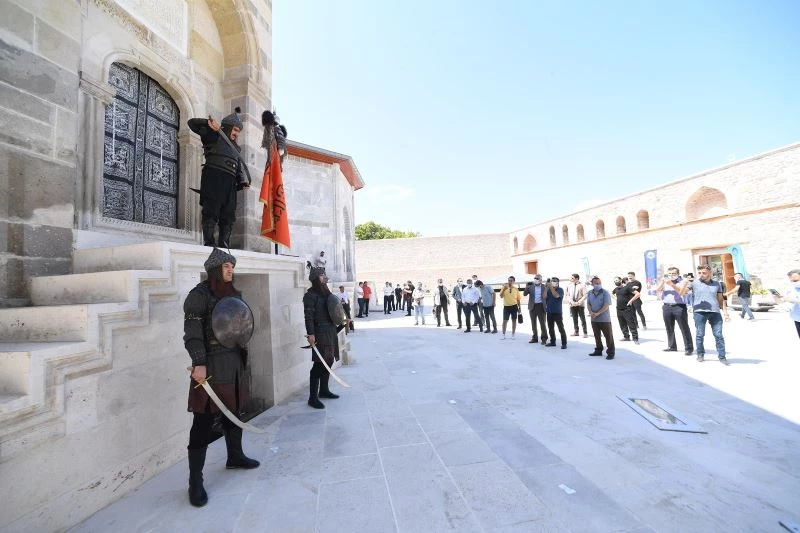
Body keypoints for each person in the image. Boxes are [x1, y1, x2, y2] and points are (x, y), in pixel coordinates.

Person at [183, 248, 259, 507]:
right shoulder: (198, 296)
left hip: (233, 362)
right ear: (215, 268)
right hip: (210, 366)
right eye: (226, 266)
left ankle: (235, 456)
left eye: (232, 266)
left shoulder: (233, 295)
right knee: (203, 423)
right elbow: (192, 334)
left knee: (234, 412)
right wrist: (199, 363)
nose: (231, 270)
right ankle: (195, 482)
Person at [188, 110, 251, 248]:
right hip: (214, 179)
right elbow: (192, 124)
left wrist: (242, 181)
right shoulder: (213, 135)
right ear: (227, 127)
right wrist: (210, 125)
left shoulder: (236, 148)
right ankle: (209, 243)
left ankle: (224, 245)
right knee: (211, 212)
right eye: (235, 129)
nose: (237, 133)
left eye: (239, 131)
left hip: (230, 185)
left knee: (228, 216)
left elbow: (237, 167)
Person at [304, 266, 346, 409]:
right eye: (322, 275)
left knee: (328, 360)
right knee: (319, 364)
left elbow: (334, 310)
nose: (324, 277)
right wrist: (311, 334)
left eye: (324, 275)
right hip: (319, 333)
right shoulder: (310, 295)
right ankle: (312, 398)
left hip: (330, 331)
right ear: (316, 278)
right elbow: (308, 317)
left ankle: (324, 390)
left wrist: (341, 321)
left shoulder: (326, 293)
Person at [680, 264, 730, 365]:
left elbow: (721, 299)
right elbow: (682, 293)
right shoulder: (694, 283)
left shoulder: (717, 284)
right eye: (699, 273)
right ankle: (700, 354)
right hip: (699, 312)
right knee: (700, 334)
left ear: (709, 273)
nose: (701, 275)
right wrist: (685, 283)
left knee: (718, 335)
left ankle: (722, 356)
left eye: (704, 273)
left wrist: (725, 313)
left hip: (715, 312)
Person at [655, 267, 693, 355]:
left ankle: (689, 348)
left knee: (684, 328)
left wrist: (672, 284)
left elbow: (682, 292)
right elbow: (657, 290)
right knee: (669, 327)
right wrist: (662, 282)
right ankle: (672, 346)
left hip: (679, 306)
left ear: (678, 274)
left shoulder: (683, 282)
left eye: (673, 273)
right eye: (670, 274)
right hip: (667, 306)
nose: (671, 275)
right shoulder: (665, 281)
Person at [586, 275, 615, 359]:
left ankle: (611, 352)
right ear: (592, 284)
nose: (598, 284)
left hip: (604, 319)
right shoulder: (590, 293)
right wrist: (591, 312)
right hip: (594, 319)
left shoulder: (605, 292)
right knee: (597, 336)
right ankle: (598, 350)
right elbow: (588, 304)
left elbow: (606, 305)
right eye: (596, 283)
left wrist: (598, 313)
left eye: (599, 283)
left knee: (608, 336)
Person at [612, 275, 640, 345]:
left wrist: (630, 301)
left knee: (631, 323)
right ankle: (626, 337)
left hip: (627, 309)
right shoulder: (616, 289)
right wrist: (616, 298)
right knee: (622, 324)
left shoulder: (627, 287)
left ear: (621, 280)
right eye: (615, 281)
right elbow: (611, 293)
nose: (616, 282)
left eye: (617, 280)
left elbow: (637, 294)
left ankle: (635, 338)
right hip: (618, 309)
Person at [524, 275, 548, 345]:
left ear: (541, 280)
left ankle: (544, 338)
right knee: (533, 323)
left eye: (537, 278)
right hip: (532, 306)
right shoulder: (531, 286)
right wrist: (526, 287)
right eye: (535, 278)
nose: (536, 279)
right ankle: (535, 338)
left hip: (541, 306)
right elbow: (525, 294)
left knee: (542, 324)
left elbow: (547, 296)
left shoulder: (544, 287)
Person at [544, 277, 567, 349]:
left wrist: (551, 287)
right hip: (549, 312)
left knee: (561, 328)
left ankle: (564, 343)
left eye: (555, 281)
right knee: (551, 328)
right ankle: (552, 341)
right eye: (552, 281)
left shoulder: (560, 290)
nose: (553, 282)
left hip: (557, 312)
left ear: (558, 282)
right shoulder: (549, 289)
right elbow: (544, 297)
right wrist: (546, 288)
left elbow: (556, 295)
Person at [566, 274, 588, 338]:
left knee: (582, 318)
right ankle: (576, 331)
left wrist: (579, 302)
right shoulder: (569, 285)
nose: (571, 279)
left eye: (572, 278)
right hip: (572, 304)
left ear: (577, 278)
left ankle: (585, 332)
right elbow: (567, 295)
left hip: (580, 304)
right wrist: (571, 302)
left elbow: (585, 295)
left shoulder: (582, 285)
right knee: (574, 318)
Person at [499, 276, 521, 340]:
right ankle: (503, 334)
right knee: (505, 321)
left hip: (514, 306)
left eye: (511, 281)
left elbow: (518, 299)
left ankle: (513, 334)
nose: (509, 282)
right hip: (506, 306)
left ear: (514, 282)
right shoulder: (504, 288)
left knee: (514, 320)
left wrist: (520, 308)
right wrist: (504, 289)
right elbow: (501, 296)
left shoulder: (516, 289)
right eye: (509, 280)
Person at [783, 269, 800, 338]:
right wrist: (777, 297)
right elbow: (781, 302)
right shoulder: (791, 288)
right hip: (797, 318)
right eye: (791, 281)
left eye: (795, 280)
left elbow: (792, 300)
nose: (793, 282)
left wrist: (793, 300)